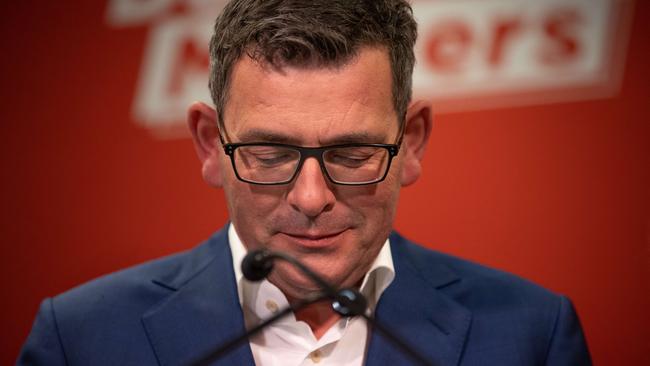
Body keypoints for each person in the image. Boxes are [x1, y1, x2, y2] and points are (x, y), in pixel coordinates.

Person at [18, 0, 592, 365]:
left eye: (353, 152)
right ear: (209, 144)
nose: (312, 198)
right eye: (269, 153)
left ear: (411, 142)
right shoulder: (81, 339)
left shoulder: (531, 336)